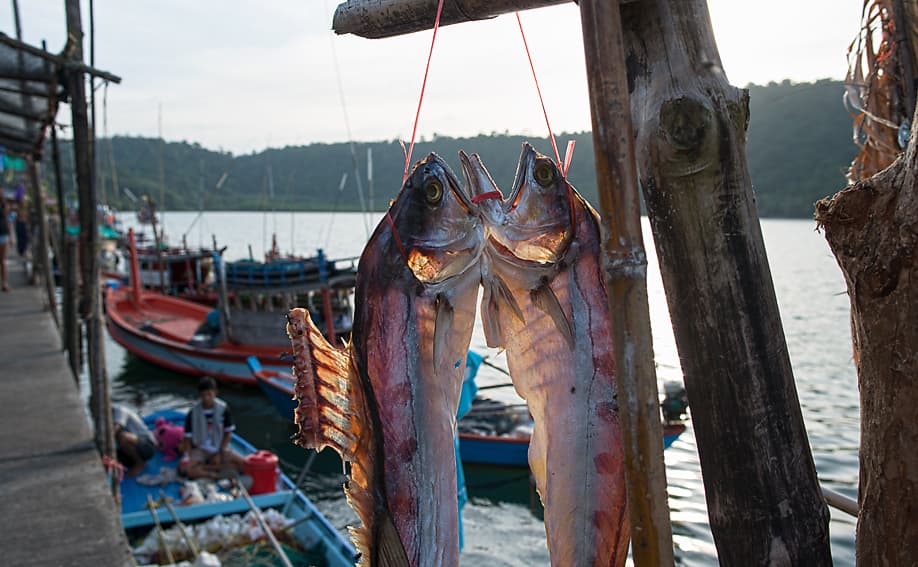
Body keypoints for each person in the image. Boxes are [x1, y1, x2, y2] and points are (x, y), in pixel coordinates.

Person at [179, 376, 245, 479]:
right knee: (185, 469)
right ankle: (215, 473)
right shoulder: (193, 412)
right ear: (199, 395)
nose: (206, 398)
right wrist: (187, 455)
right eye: (203, 395)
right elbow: (188, 437)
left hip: (218, 447)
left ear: (215, 392)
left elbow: (228, 432)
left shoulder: (223, 409)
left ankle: (206, 468)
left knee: (244, 464)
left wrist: (221, 450)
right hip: (200, 448)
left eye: (209, 394)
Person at [113, 404, 157, 477]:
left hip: (147, 446)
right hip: (130, 449)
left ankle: (139, 463)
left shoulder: (120, 410)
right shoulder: (106, 419)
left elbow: (116, 428)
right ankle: (133, 460)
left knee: (123, 436)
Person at [0, 197, 11, 291]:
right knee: (3, 261)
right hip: (3, 234)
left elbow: (8, 221)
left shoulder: (4, 206)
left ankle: (4, 283)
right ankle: (4, 283)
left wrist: (11, 236)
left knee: (3, 261)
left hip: (3, 234)